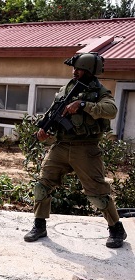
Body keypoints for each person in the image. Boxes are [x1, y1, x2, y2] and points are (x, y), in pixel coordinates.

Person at [24, 52, 127, 248]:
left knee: (97, 193)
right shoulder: (66, 89)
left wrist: (83, 105)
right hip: (61, 146)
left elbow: (111, 110)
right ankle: (39, 225)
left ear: (89, 71)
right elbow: (53, 114)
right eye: (74, 68)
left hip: (86, 149)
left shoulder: (100, 92)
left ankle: (116, 229)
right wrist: (44, 131)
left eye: (79, 69)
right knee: (42, 186)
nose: (74, 72)